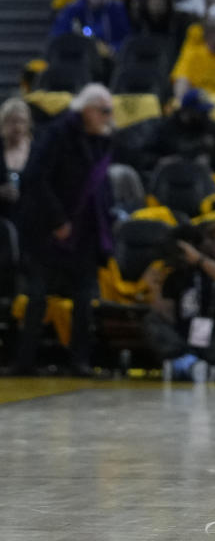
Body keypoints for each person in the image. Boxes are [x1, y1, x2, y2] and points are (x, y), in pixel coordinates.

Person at [8, 85, 115, 376]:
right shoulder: (56, 134)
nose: (109, 117)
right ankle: (25, 361)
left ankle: (79, 361)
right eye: (105, 111)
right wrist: (57, 221)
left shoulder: (101, 140)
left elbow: (101, 185)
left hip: (85, 230)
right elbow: (36, 178)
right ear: (89, 109)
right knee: (38, 294)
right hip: (47, 229)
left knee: (83, 298)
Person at [144, 221, 215, 382]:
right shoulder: (178, 272)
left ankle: (202, 366)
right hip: (184, 335)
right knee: (152, 320)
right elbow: (167, 315)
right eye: (213, 240)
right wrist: (154, 289)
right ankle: (186, 362)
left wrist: (200, 260)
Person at [0, 97, 32, 232]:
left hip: (30, 218)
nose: (17, 127)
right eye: (13, 121)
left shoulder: (36, 149)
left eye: (22, 121)